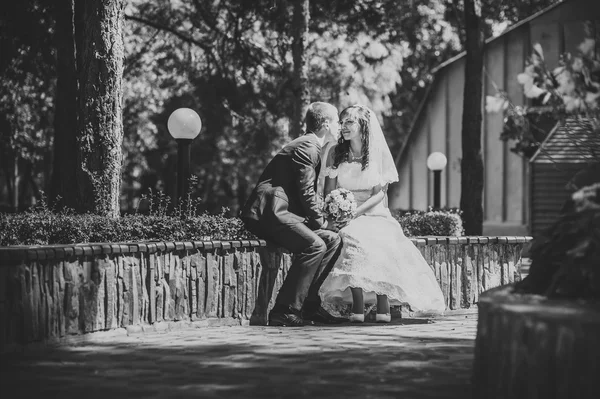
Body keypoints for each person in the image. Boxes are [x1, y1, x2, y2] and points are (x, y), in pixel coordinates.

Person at [319, 105, 446, 323]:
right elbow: (328, 190)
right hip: (344, 213)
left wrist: (356, 212)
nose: (344, 127)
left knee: (381, 243)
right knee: (353, 241)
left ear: (363, 126)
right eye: (342, 122)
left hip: (372, 211)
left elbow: (379, 194)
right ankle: (357, 304)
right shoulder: (334, 152)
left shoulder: (375, 153)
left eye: (349, 122)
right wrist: (339, 210)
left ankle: (383, 302)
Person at [240, 102, 348, 327]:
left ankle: (308, 305)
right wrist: (322, 222)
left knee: (333, 240)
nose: (339, 125)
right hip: (270, 213)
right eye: (337, 120)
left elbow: (303, 194)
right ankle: (284, 310)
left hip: (285, 213)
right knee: (316, 245)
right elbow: (306, 191)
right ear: (326, 124)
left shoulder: (310, 145)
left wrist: (323, 224)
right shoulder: (308, 146)